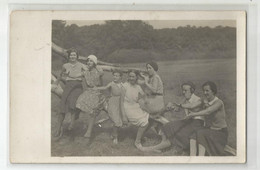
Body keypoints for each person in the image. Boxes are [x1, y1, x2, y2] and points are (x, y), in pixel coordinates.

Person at [142, 81, 204, 153]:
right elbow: (177, 109)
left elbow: (191, 106)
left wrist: (177, 105)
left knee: (173, 127)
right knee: (168, 125)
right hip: (188, 122)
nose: (183, 92)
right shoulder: (186, 99)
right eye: (183, 90)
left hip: (197, 124)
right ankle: (161, 145)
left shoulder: (198, 99)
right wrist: (169, 108)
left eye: (185, 90)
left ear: (192, 90)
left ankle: (155, 147)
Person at [54, 48, 87, 139]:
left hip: (77, 86)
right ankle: (58, 128)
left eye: (74, 55)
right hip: (68, 85)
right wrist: (56, 83)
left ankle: (72, 122)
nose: (73, 57)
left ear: (77, 56)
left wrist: (82, 74)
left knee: (73, 101)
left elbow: (88, 71)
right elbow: (60, 75)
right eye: (71, 55)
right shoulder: (65, 65)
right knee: (63, 104)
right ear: (69, 57)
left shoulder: (81, 65)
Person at [188, 81, 228, 156]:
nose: (205, 93)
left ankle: (200, 158)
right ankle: (192, 157)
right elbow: (192, 106)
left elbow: (208, 111)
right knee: (194, 134)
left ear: (213, 91)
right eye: (204, 91)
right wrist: (179, 105)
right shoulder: (205, 101)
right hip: (211, 130)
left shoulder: (218, 102)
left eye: (207, 90)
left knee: (201, 133)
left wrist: (193, 114)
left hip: (220, 133)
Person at [76, 55, 105, 143]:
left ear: (95, 63)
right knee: (79, 102)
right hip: (88, 91)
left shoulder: (99, 71)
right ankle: (77, 123)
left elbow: (101, 81)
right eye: (88, 61)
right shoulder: (85, 72)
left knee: (93, 109)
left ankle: (88, 132)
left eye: (91, 61)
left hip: (97, 91)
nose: (89, 63)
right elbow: (76, 75)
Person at [93, 69, 127, 144]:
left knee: (119, 121)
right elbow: (105, 88)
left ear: (121, 77)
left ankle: (113, 133)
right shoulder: (111, 84)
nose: (115, 77)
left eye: (117, 76)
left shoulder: (123, 85)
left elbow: (125, 95)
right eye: (114, 75)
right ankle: (115, 137)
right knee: (115, 121)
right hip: (112, 103)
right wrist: (96, 88)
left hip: (120, 103)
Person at [121, 70, 151, 151]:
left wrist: (145, 100)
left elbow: (144, 95)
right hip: (127, 107)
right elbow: (121, 101)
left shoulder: (138, 87)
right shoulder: (125, 86)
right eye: (130, 76)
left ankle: (140, 136)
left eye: (133, 76)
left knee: (148, 117)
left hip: (135, 106)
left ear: (136, 77)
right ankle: (137, 142)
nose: (131, 78)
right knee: (144, 122)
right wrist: (124, 116)